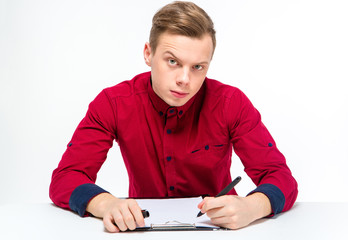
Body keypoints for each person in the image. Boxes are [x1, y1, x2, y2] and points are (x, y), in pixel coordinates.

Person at [49, 1, 298, 232]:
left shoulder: (231, 103)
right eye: (172, 61)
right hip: (141, 232)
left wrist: (252, 206)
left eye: (198, 67)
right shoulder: (113, 104)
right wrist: (107, 204)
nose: (185, 80)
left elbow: (281, 177)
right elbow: (66, 178)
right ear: (148, 54)